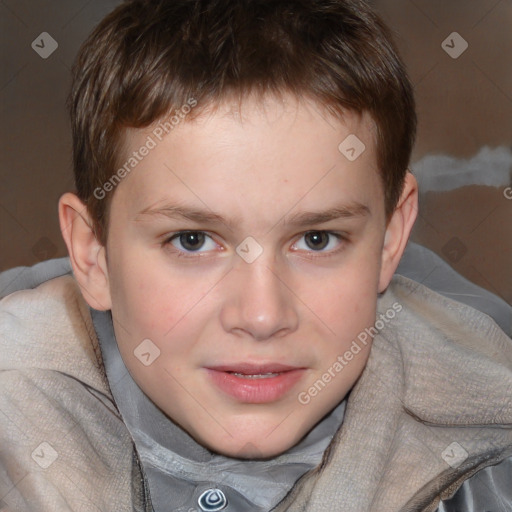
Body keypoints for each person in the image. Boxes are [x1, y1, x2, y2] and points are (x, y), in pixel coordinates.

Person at [1, 0, 511, 510]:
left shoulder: (489, 469)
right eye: (192, 240)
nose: (262, 316)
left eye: (317, 239)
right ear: (94, 254)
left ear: (391, 238)